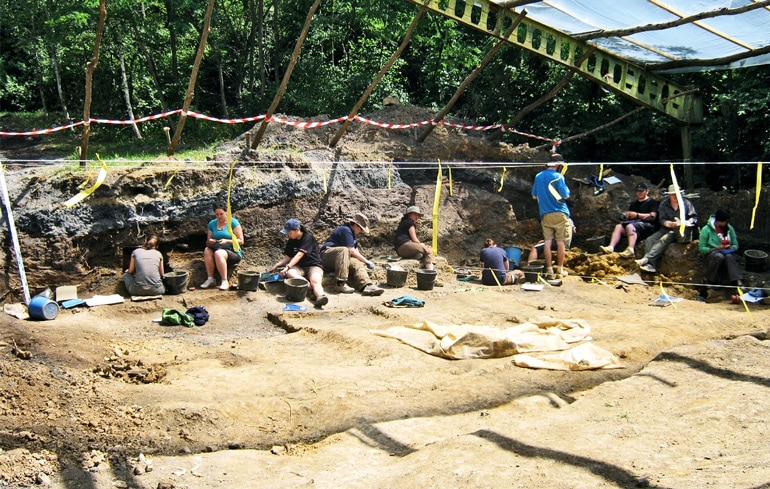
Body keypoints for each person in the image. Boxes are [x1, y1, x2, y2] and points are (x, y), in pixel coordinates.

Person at [635, 184, 697, 273]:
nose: (675, 196)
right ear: (669, 195)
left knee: (664, 239)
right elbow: (662, 219)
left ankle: (647, 259)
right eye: (673, 194)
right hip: (666, 228)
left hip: (682, 231)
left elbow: (694, 218)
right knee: (650, 240)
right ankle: (651, 265)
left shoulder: (686, 203)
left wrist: (687, 222)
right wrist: (667, 223)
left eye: (677, 194)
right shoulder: (664, 204)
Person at [321, 213, 384, 296]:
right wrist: (366, 261)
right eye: (361, 229)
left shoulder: (352, 234)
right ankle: (340, 283)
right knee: (344, 250)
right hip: (327, 255)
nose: (361, 231)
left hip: (342, 257)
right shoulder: (345, 230)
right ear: (356, 225)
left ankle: (367, 285)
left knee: (356, 262)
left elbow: (355, 251)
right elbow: (351, 250)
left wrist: (363, 262)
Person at [270, 218, 328, 307]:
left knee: (315, 280)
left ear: (297, 229)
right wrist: (277, 265)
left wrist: (287, 267)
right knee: (290, 273)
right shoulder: (291, 240)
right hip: (299, 267)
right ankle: (309, 288)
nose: (288, 235)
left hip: (313, 265)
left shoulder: (307, 238)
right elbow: (288, 257)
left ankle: (320, 296)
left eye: (290, 232)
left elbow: (299, 255)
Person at [531, 153, 571, 279]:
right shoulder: (558, 177)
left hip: (545, 213)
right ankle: (559, 270)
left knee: (547, 242)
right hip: (560, 212)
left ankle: (549, 270)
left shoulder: (538, 176)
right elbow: (565, 196)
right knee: (560, 243)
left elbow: (534, 196)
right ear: (559, 164)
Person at [600, 182, 659, 258]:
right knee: (619, 226)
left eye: (641, 191)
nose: (639, 193)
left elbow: (652, 216)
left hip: (648, 226)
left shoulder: (652, 202)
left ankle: (630, 249)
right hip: (634, 225)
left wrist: (637, 215)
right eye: (638, 191)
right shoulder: (633, 204)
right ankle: (611, 247)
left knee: (630, 226)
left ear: (647, 191)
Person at [696, 209, 743, 299]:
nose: (726, 223)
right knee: (718, 256)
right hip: (711, 255)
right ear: (719, 221)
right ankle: (708, 280)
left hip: (727, 253)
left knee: (729, 256)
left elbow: (736, 244)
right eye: (725, 222)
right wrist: (716, 248)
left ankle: (737, 282)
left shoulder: (730, 228)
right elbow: (702, 249)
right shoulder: (706, 230)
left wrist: (731, 247)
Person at [200, 201, 244, 290]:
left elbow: (241, 241)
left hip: (232, 252)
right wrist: (211, 241)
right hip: (216, 248)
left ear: (226, 212)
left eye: (221, 214)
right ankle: (210, 278)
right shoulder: (212, 224)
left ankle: (224, 280)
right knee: (207, 250)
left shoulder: (233, 222)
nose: (219, 216)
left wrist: (227, 241)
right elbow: (208, 242)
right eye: (217, 214)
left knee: (219, 253)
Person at [394, 205, 434, 270]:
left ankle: (417, 256)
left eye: (418, 215)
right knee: (428, 250)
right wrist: (421, 244)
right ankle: (430, 271)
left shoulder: (403, 222)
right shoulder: (409, 222)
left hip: (399, 250)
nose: (417, 216)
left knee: (423, 251)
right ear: (409, 214)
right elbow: (414, 239)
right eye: (415, 214)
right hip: (404, 246)